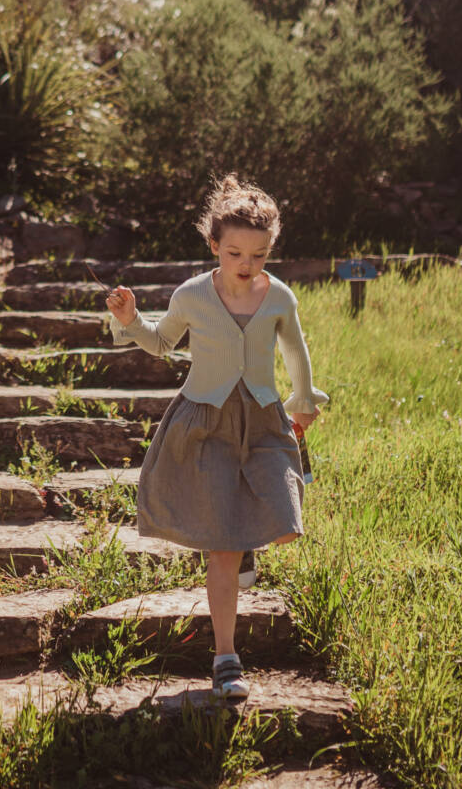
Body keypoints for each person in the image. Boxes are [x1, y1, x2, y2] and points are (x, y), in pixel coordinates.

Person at [103, 173, 327, 702]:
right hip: (206, 424)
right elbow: (160, 343)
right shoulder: (193, 295)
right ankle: (226, 657)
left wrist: (303, 399)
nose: (246, 264)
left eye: (259, 253)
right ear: (213, 246)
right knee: (221, 548)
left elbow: (296, 353)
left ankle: (244, 539)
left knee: (287, 520)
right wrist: (131, 319)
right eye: (234, 253)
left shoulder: (280, 298)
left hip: (266, 421)